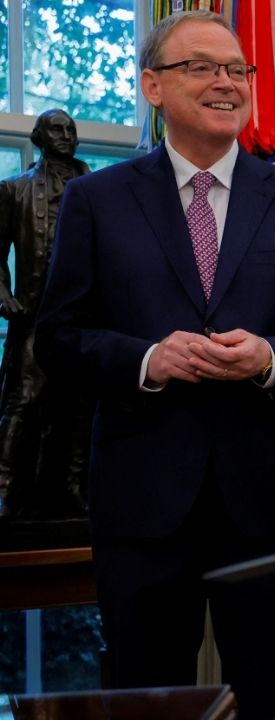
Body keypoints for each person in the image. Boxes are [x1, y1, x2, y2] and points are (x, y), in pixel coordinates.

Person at [33, 11, 275, 718]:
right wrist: (149, 359)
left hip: (268, 505)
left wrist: (269, 357)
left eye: (238, 69)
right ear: (153, 86)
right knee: (149, 700)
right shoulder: (97, 201)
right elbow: (56, 338)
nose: (226, 82)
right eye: (202, 67)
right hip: (142, 503)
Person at [0, 109, 92, 518]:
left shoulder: (99, 192)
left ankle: (72, 488)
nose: (66, 135)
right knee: (22, 402)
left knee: (81, 404)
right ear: (39, 137)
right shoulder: (15, 190)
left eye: (71, 129)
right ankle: (4, 488)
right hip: (35, 315)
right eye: (57, 129)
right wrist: (4, 293)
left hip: (87, 319)